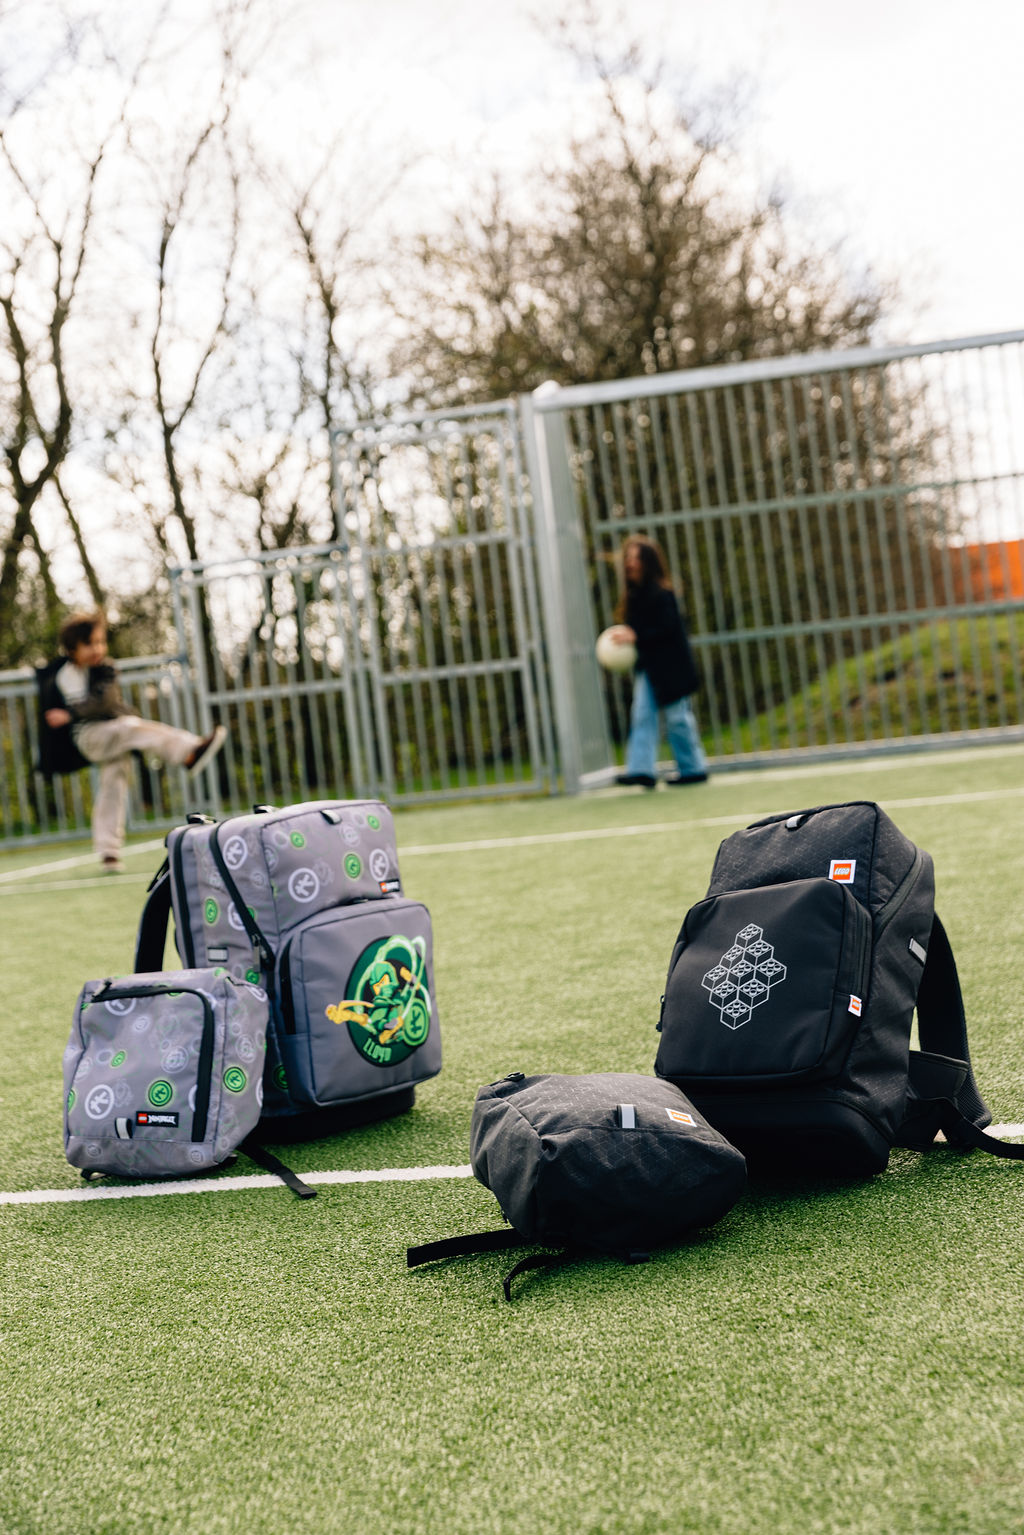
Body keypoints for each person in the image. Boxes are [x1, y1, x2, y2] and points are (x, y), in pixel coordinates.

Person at [37, 609, 227, 873]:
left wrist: (69, 713)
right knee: (129, 727)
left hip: (111, 733)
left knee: (114, 783)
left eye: (101, 642)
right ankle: (189, 750)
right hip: (90, 737)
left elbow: (104, 701)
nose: (97, 649)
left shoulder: (105, 669)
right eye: (89, 644)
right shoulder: (60, 674)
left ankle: (108, 852)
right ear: (72, 649)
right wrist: (69, 716)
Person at [608, 535, 708, 789]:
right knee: (642, 715)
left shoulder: (663, 594)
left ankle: (693, 768)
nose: (630, 563)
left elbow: (666, 627)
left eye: (636, 558)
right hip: (649, 669)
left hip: (671, 669)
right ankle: (641, 770)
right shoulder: (633, 596)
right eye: (628, 557)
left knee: (678, 719)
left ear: (648, 562)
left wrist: (636, 634)